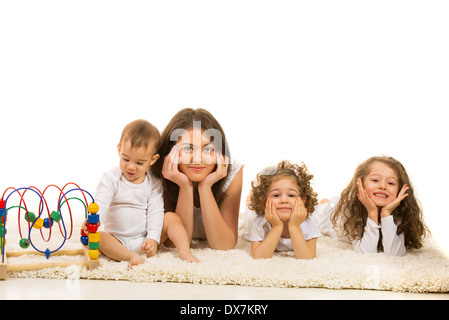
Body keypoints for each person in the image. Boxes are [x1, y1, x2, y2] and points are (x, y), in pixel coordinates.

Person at [83, 119, 198, 268]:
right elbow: (101, 202)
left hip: (144, 238)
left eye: (139, 163)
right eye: (126, 159)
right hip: (117, 239)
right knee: (98, 237)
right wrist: (95, 220)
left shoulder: (153, 183)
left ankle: (185, 253)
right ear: (119, 149)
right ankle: (130, 256)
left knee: (172, 218)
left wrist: (152, 239)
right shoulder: (110, 178)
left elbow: (155, 211)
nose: (131, 167)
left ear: (153, 159)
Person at [151, 108, 243, 250]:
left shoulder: (232, 172)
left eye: (207, 149)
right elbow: (175, 244)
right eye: (188, 149)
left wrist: (205, 187)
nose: (198, 159)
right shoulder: (159, 175)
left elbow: (224, 245)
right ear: (171, 151)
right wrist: (185, 187)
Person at [312, 156, 429, 256]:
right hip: (326, 217)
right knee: (319, 212)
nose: (383, 186)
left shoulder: (397, 213)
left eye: (391, 183)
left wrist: (386, 214)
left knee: (327, 204)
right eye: (375, 180)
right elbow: (367, 253)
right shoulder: (351, 210)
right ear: (360, 184)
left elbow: (394, 255)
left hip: (335, 208)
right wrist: (372, 212)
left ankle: (325, 202)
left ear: (401, 190)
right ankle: (324, 204)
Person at [244, 160, 321, 259]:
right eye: (276, 195)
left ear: (303, 201)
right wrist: (276, 227)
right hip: (255, 214)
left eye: (291, 195)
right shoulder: (259, 223)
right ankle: (249, 200)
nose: (284, 200)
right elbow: (258, 257)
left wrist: (295, 227)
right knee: (249, 213)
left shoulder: (309, 224)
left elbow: (308, 258)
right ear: (263, 202)